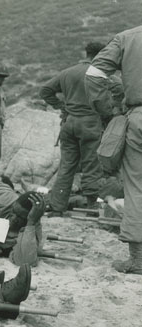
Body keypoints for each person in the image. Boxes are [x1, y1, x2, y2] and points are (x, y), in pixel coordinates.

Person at [85, 25, 142, 274]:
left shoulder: (128, 38)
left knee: (137, 187)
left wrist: (107, 111)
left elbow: (95, 74)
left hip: (138, 118)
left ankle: (138, 259)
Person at [39, 42, 110, 215]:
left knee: (66, 166)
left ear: (86, 53)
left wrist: (61, 105)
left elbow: (45, 90)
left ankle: (57, 207)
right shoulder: (100, 73)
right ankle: (92, 206)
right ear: (100, 55)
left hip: (69, 122)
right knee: (91, 165)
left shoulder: (67, 72)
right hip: (90, 123)